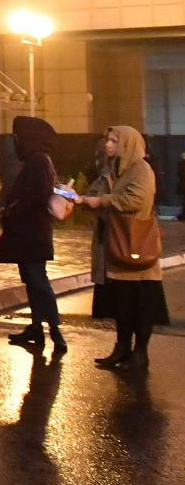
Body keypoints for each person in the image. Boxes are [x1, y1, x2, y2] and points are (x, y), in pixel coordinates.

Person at [76, 124, 170, 371]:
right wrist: (79, 199)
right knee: (120, 304)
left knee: (140, 304)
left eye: (114, 140)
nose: (108, 144)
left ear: (128, 143)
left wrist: (101, 201)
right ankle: (121, 348)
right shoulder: (110, 169)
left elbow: (135, 200)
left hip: (135, 243)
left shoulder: (142, 169)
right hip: (113, 245)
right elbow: (95, 194)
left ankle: (140, 353)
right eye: (108, 139)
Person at [0, 116, 66, 356]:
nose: (16, 140)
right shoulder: (36, 160)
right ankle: (37, 328)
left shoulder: (37, 161)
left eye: (18, 136)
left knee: (38, 281)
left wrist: (13, 209)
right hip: (28, 233)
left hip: (32, 233)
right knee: (32, 280)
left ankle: (56, 331)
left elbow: (35, 196)